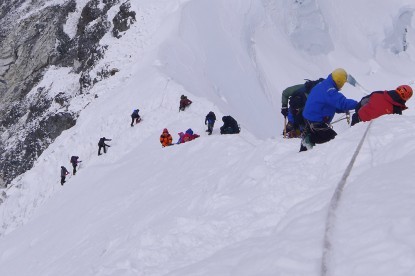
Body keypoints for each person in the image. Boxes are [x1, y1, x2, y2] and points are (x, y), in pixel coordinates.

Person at [300, 68, 358, 151]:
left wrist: (343, 109)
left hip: (309, 118)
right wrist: (358, 104)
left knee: (306, 149)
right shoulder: (329, 90)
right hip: (316, 122)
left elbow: (330, 104)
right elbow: (342, 103)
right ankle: (310, 139)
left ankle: (307, 142)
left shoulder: (323, 84)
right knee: (335, 141)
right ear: (339, 81)